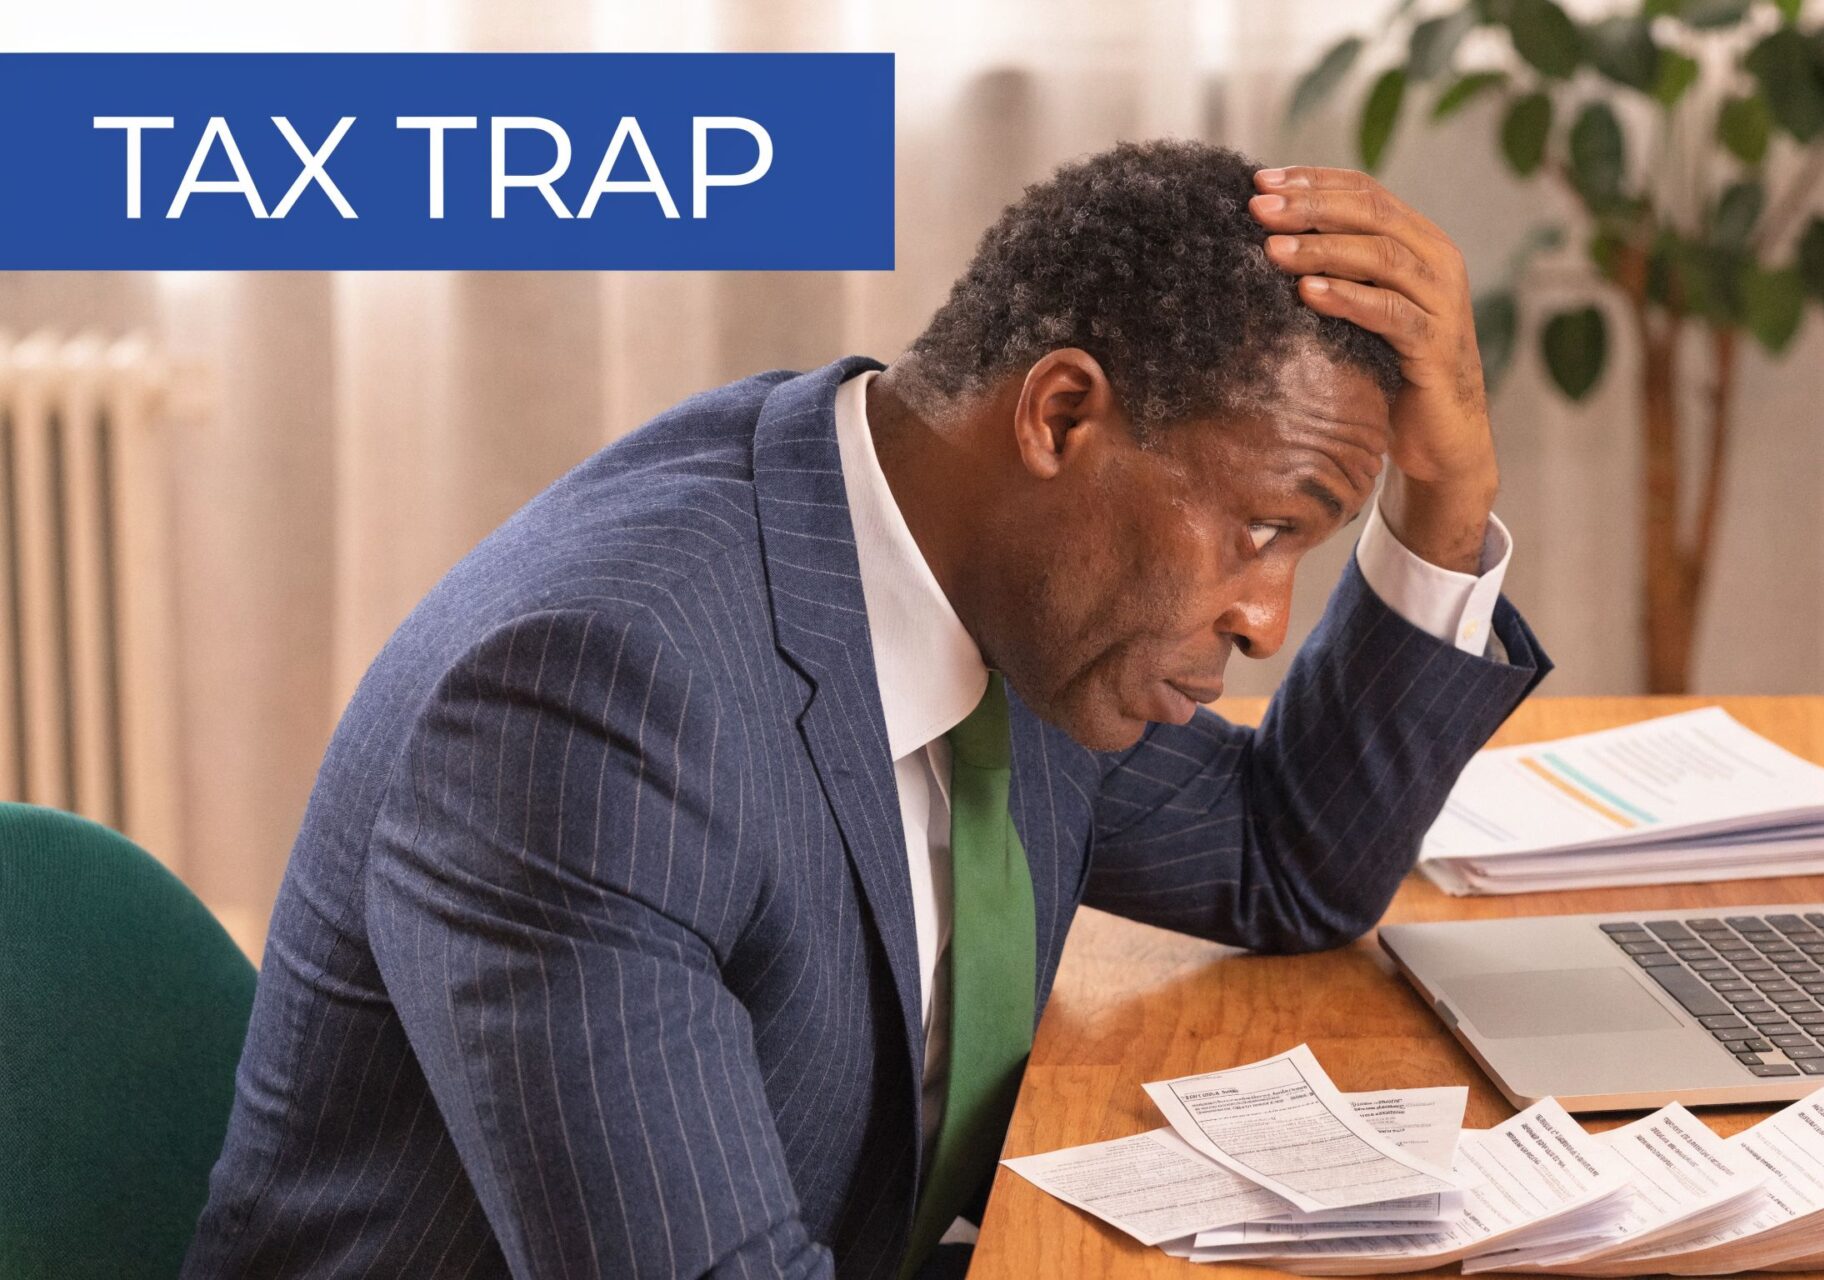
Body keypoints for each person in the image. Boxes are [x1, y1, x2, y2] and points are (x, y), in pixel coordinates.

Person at [185, 139, 1547, 1279]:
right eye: (1261, 527)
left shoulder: (990, 574)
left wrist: (1453, 493)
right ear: (1061, 417)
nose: (1265, 619)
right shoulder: (598, 707)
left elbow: (1285, 856)